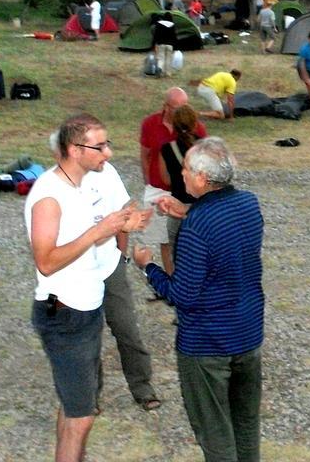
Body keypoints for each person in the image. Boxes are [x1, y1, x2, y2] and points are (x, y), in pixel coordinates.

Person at [25, 113, 150, 462]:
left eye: (107, 144)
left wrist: (122, 224)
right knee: (81, 416)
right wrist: (101, 231)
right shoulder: (49, 197)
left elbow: (92, 234)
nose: (108, 153)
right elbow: (46, 261)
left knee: (74, 406)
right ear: (73, 149)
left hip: (85, 309)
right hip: (66, 315)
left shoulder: (81, 187)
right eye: (99, 146)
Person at [133, 137, 264, 462]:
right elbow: (223, 222)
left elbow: (182, 295)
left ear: (203, 179)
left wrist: (148, 267)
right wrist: (187, 210)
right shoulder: (249, 204)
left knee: (215, 431)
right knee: (245, 423)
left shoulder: (196, 228)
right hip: (248, 335)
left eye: (187, 169)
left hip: (207, 345)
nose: (182, 173)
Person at [47, 131, 161, 413]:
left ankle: (142, 388)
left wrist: (121, 256)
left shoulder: (106, 172)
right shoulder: (51, 187)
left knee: (126, 330)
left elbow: (123, 212)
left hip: (110, 267)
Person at [139, 87, 207, 270]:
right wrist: (147, 180)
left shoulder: (197, 128)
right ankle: (170, 278)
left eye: (184, 106)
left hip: (180, 192)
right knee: (162, 238)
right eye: (177, 106)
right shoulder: (150, 123)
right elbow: (144, 154)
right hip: (158, 189)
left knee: (177, 238)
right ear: (166, 106)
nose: (181, 111)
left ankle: (174, 282)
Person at [155, 103, 202, 274]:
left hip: (177, 206)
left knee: (176, 250)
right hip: (202, 207)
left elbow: (165, 179)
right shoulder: (204, 148)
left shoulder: (167, 149)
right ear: (195, 123)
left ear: (174, 124)